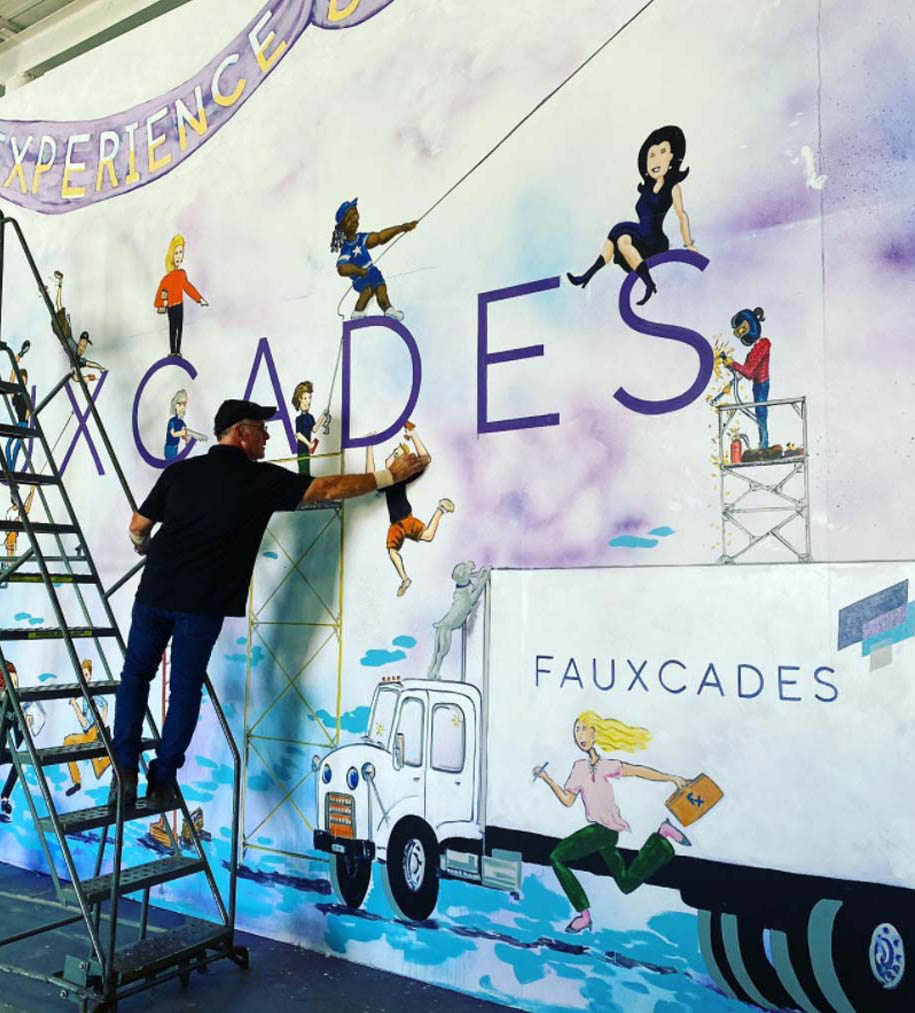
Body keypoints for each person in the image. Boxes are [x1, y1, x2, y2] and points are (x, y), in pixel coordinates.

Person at [111, 398, 427, 808]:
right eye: (261, 428)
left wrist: (143, 546)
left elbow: (138, 526)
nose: (268, 435)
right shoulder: (258, 479)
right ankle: (163, 780)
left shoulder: (179, 473)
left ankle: (124, 770)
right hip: (201, 604)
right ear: (240, 433)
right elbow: (327, 489)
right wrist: (389, 476)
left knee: (136, 676)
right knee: (185, 689)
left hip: (153, 593)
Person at [534, 711, 692, 934]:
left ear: (595, 733)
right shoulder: (579, 767)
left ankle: (584, 915)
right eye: (577, 730)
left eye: (584, 729)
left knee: (556, 857)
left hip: (604, 832)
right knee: (626, 884)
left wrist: (672, 778)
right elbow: (568, 800)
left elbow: (638, 771)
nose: (580, 735)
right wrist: (547, 778)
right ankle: (660, 837)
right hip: (604, 835)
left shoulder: (607, 766)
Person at [566, 125, 696, 305]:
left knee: (621, 238)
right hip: (641, 236)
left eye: (662, 152)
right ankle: (587, 276)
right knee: (618, 232)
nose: (656, 160)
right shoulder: (646, 189)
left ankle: (648, 283)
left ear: (672, 157)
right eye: (651, 155)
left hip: (655, 242)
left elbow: (681, 215)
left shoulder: (672, 188)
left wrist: (689, 244)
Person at [365, 426, 454, 597]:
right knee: (392, 552)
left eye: (396, 455)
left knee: (428, 536)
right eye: (393, 453)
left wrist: (413, 435)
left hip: (406, 519)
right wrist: (369, 447)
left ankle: (441, 508)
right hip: (395, 525)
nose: (391, 456)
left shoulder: (401, 477)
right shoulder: (386, 481)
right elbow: (370, 478)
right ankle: (405, 579)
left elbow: (426, 459)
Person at [331, 198, 417, 321]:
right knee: (367, 290)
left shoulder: (361, 238)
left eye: (355, 215)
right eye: (349, 218)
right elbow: (342, 268)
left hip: (372, 271)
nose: (354, 219)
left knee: (381, 288)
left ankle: (388, 310)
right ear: (343, 227)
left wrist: (402, 228)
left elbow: (380, 237)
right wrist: (359, 271)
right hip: (360, 276)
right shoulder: (347, 247)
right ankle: (358, 312)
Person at [428, 561, 490, 679]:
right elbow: (477, 592)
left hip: (445, 624)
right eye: (468, 572)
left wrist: (481, 573)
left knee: (438, 651)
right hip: (447, 626)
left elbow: (473, 585)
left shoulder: (462, 590)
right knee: (441, 652)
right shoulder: (465, 598)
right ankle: (434, 672)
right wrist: (485, 576)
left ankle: (432, 671)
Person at [722, 307, 771, 449]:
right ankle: (763, 444)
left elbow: (748, 372)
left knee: (761, 414)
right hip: (758, 384)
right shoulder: (758, 347)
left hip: (761, 384)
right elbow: (747, 371)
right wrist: (730, 365)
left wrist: (732, 363)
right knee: (760, 414)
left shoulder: (762, 345)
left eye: (742, 330)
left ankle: (764, 445)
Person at [154, 235, 209, 357]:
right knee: (173, 329)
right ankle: (173, 352)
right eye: (176, 253)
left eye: (180, 252)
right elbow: (159, 295)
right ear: (171, 255)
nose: (178, 256)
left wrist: (199, 299)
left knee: (180, 329)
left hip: (180, 305)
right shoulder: (167, 278)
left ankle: (177, 351)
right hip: (171, 307)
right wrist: (162, 303)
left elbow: (188, 288)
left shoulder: (181, 274)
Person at [63, 659, 110, 797]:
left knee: (68, 742)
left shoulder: (91, 693)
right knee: (98, 770)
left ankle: (77, 781)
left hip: (92, 732)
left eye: (86, 675)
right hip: (89, 733)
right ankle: (113, 756)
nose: (84, 678)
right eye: (82, 675)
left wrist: (102, 725)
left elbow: (104, 705)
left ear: (90, 676)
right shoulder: (84, 693)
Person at [290, 381, 327, 477]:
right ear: (300, 399)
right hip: (302, 451)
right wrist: (309, 444)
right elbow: (298, 435)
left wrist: (323, 416)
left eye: (310, 397)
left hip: (307, 451)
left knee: (307, 473)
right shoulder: (299, 419)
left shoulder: (310, 417)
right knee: (304, 474)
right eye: (305, 398)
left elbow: (314, 429)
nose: (308, 401)